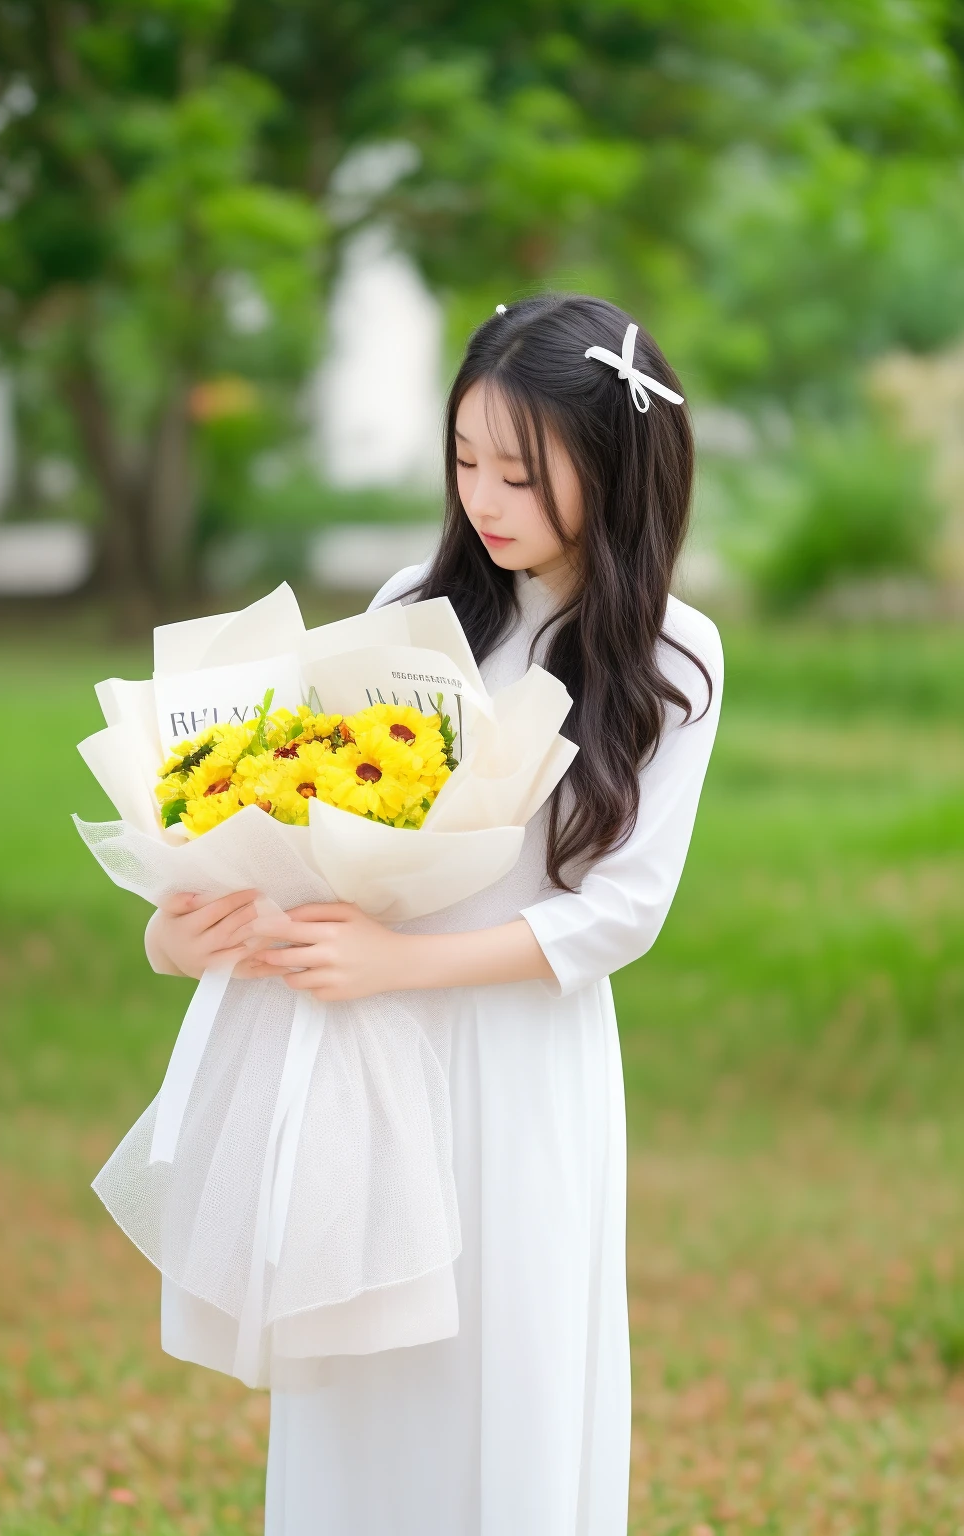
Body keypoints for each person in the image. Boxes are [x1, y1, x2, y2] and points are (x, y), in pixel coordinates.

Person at [148, 294, 723, 1536]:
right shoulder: (420, 601)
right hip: (375, 1056)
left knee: (507, 1370)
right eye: (465, 461)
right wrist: (184, 923)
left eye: (519, 472)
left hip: (521, 1065)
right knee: (367, 1379)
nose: (484, 498)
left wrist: (403, 961)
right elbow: (312, 822)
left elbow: (618, 915)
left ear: (617, 469)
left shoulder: (676, 658)